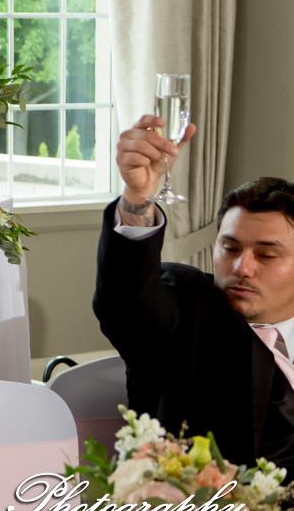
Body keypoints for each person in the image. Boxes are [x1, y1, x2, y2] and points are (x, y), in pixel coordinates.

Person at [96, 114, 294, 469]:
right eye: (230, 248)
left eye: (266, 255)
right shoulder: (185, 306)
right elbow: (128, 304)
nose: (242, 268)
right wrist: (138, 200)